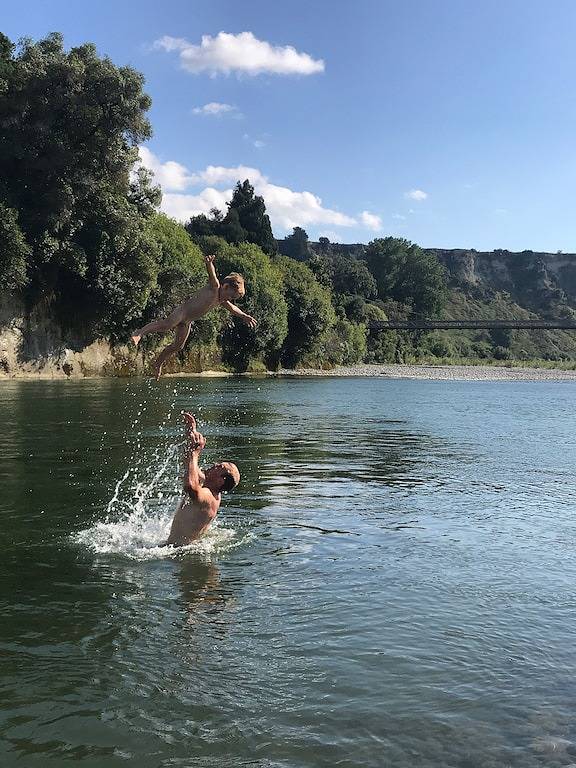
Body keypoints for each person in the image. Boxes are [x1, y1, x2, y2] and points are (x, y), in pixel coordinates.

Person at [131, 255, 257, 379]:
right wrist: (209, 264)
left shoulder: (221, 300)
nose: (230, 300)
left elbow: (233, 308)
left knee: (178, 346)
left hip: (187, 321)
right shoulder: (215, 288)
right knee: (166, 325)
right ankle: (139, 333)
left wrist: (244, 316)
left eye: (233, 298)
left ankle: (158, 364)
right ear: (226, 287)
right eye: (231, 296)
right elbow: (212, 275)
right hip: (182, 311)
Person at [166, 412, 240, 547]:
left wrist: (195, 453)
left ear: (220, 481)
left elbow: (190, 486)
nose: (215, 465)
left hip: (177, 551)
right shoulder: (210, 487)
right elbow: (189, 465)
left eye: (219, 467)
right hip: (179, 548)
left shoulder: (209, 497)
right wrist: (191, 434)